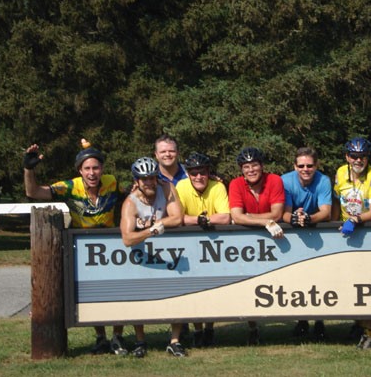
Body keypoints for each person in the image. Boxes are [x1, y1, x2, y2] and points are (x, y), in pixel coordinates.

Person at [23, 139, 129, 355]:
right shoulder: (70, 186)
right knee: (91, 294)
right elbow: (34, 192)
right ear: (80, 170)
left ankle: (118, 337)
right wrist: (28, 169)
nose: (92, 173)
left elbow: (131, 197)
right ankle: (101, 337)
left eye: (96, 168)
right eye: (87, 168)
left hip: (111, 247)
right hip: (83, 248)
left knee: (118, 291)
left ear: (102, 169)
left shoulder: (112, 182)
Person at [119, 156, 186, 357]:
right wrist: (150, 232)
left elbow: (178, 217)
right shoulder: (130, 203)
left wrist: (161, 223)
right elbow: (127, 238)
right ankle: (140, 341)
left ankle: (175, 341)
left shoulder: (166, 188)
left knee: (177, 292)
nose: (149, 182)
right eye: (144, 179)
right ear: (136, 181)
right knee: (139, 295)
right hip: (141, 253)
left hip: (169, 251)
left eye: (152, 178)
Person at [228, 147, 285, 345]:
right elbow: (235, 215)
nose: (251, 170)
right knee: (248, 284)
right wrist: (265, 221)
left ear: (261, 166)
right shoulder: (235, 184)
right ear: (241, 169)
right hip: (247, 242)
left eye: (254, 165)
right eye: (246, 166)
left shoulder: (275, 180)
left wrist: (249, 217)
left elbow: (277, 214)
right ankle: (252, 327)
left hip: (275, 240)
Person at [176, 152, 231, 347]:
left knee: (212, 287)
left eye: (202, 172)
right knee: (194, 288)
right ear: (188, 174)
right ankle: (197, 330)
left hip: (215, 245)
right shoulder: (180, 187)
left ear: (208, 173)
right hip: (190, 245)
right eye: (194, 173)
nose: (198, 177)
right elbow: (177, 217)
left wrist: (202, 220)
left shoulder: (218, 186)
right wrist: (199, 220)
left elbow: (225, 217)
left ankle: (209, 328)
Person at [331, 137, 371, 349]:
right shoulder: (340, 172)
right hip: (344, 232)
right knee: (347, 281)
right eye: (353, 156)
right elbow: (335, 201)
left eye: (362, 157)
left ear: (367, 158)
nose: (357, 160)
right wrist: (332, 225)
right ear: (347, 157)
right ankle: (357, 324)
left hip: (364, 231)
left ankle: (368, 333)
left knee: (365, 283)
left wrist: (356, 219)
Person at [281, 147, 332, 341]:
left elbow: (326, 211)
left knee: (319, 279)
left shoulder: (324, 180)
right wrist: (293, 218)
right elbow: (284, 213)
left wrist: (310, 218)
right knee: (297, 280)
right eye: (301, 165)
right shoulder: (285, 181)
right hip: (293, 234)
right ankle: (302, 321)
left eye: (310, 165)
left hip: (317, 230)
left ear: (316, 165)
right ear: (294, 166)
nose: (305, 169)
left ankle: (320, 321)